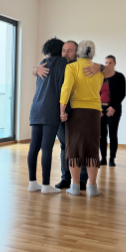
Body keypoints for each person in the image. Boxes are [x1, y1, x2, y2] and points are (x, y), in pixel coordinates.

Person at [33, 41, 108, 190]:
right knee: (65, 146)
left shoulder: (79, 67)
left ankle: (81, 180)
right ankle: (66, 178)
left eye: (69, 51)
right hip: (59, 113)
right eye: (63, 50)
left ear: (77, 53)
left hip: (75, 111)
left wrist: (100, 67)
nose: (65, 54)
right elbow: (41, 73)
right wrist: (35, 69)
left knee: (80, 146)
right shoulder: (57, 64)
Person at [60, 41, 103, 197]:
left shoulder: (72, 67)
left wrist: (62, 109)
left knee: (74, 150)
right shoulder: (98, 69)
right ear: (93, 53)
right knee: (92, 149)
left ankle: (75, 187)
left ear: (78, 52)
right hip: (94, 112)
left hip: (76, 112)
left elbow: (66, 88)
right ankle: (93, 188)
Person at [28, 38, 67, 194]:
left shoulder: (42, 63)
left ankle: (32, 183)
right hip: (50, 109)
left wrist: (34, 69)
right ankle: (45, 186)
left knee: (34, 147)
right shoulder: (63, 63)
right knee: (46, 149)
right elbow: (63, 88)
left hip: (36, 108)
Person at [100, 55, 126, 167]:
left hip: (114, 110)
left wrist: (114, 107)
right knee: (102, 135)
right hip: (101, 109)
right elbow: (94, 92)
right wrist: (98, 107)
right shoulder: (99, 76)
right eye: (106, 62)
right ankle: (103, 158)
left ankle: (112, 159)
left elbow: (122, 93)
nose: (107, 64)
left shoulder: (119, 77)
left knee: (112, 134)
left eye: (110, 62)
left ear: (114, 64)